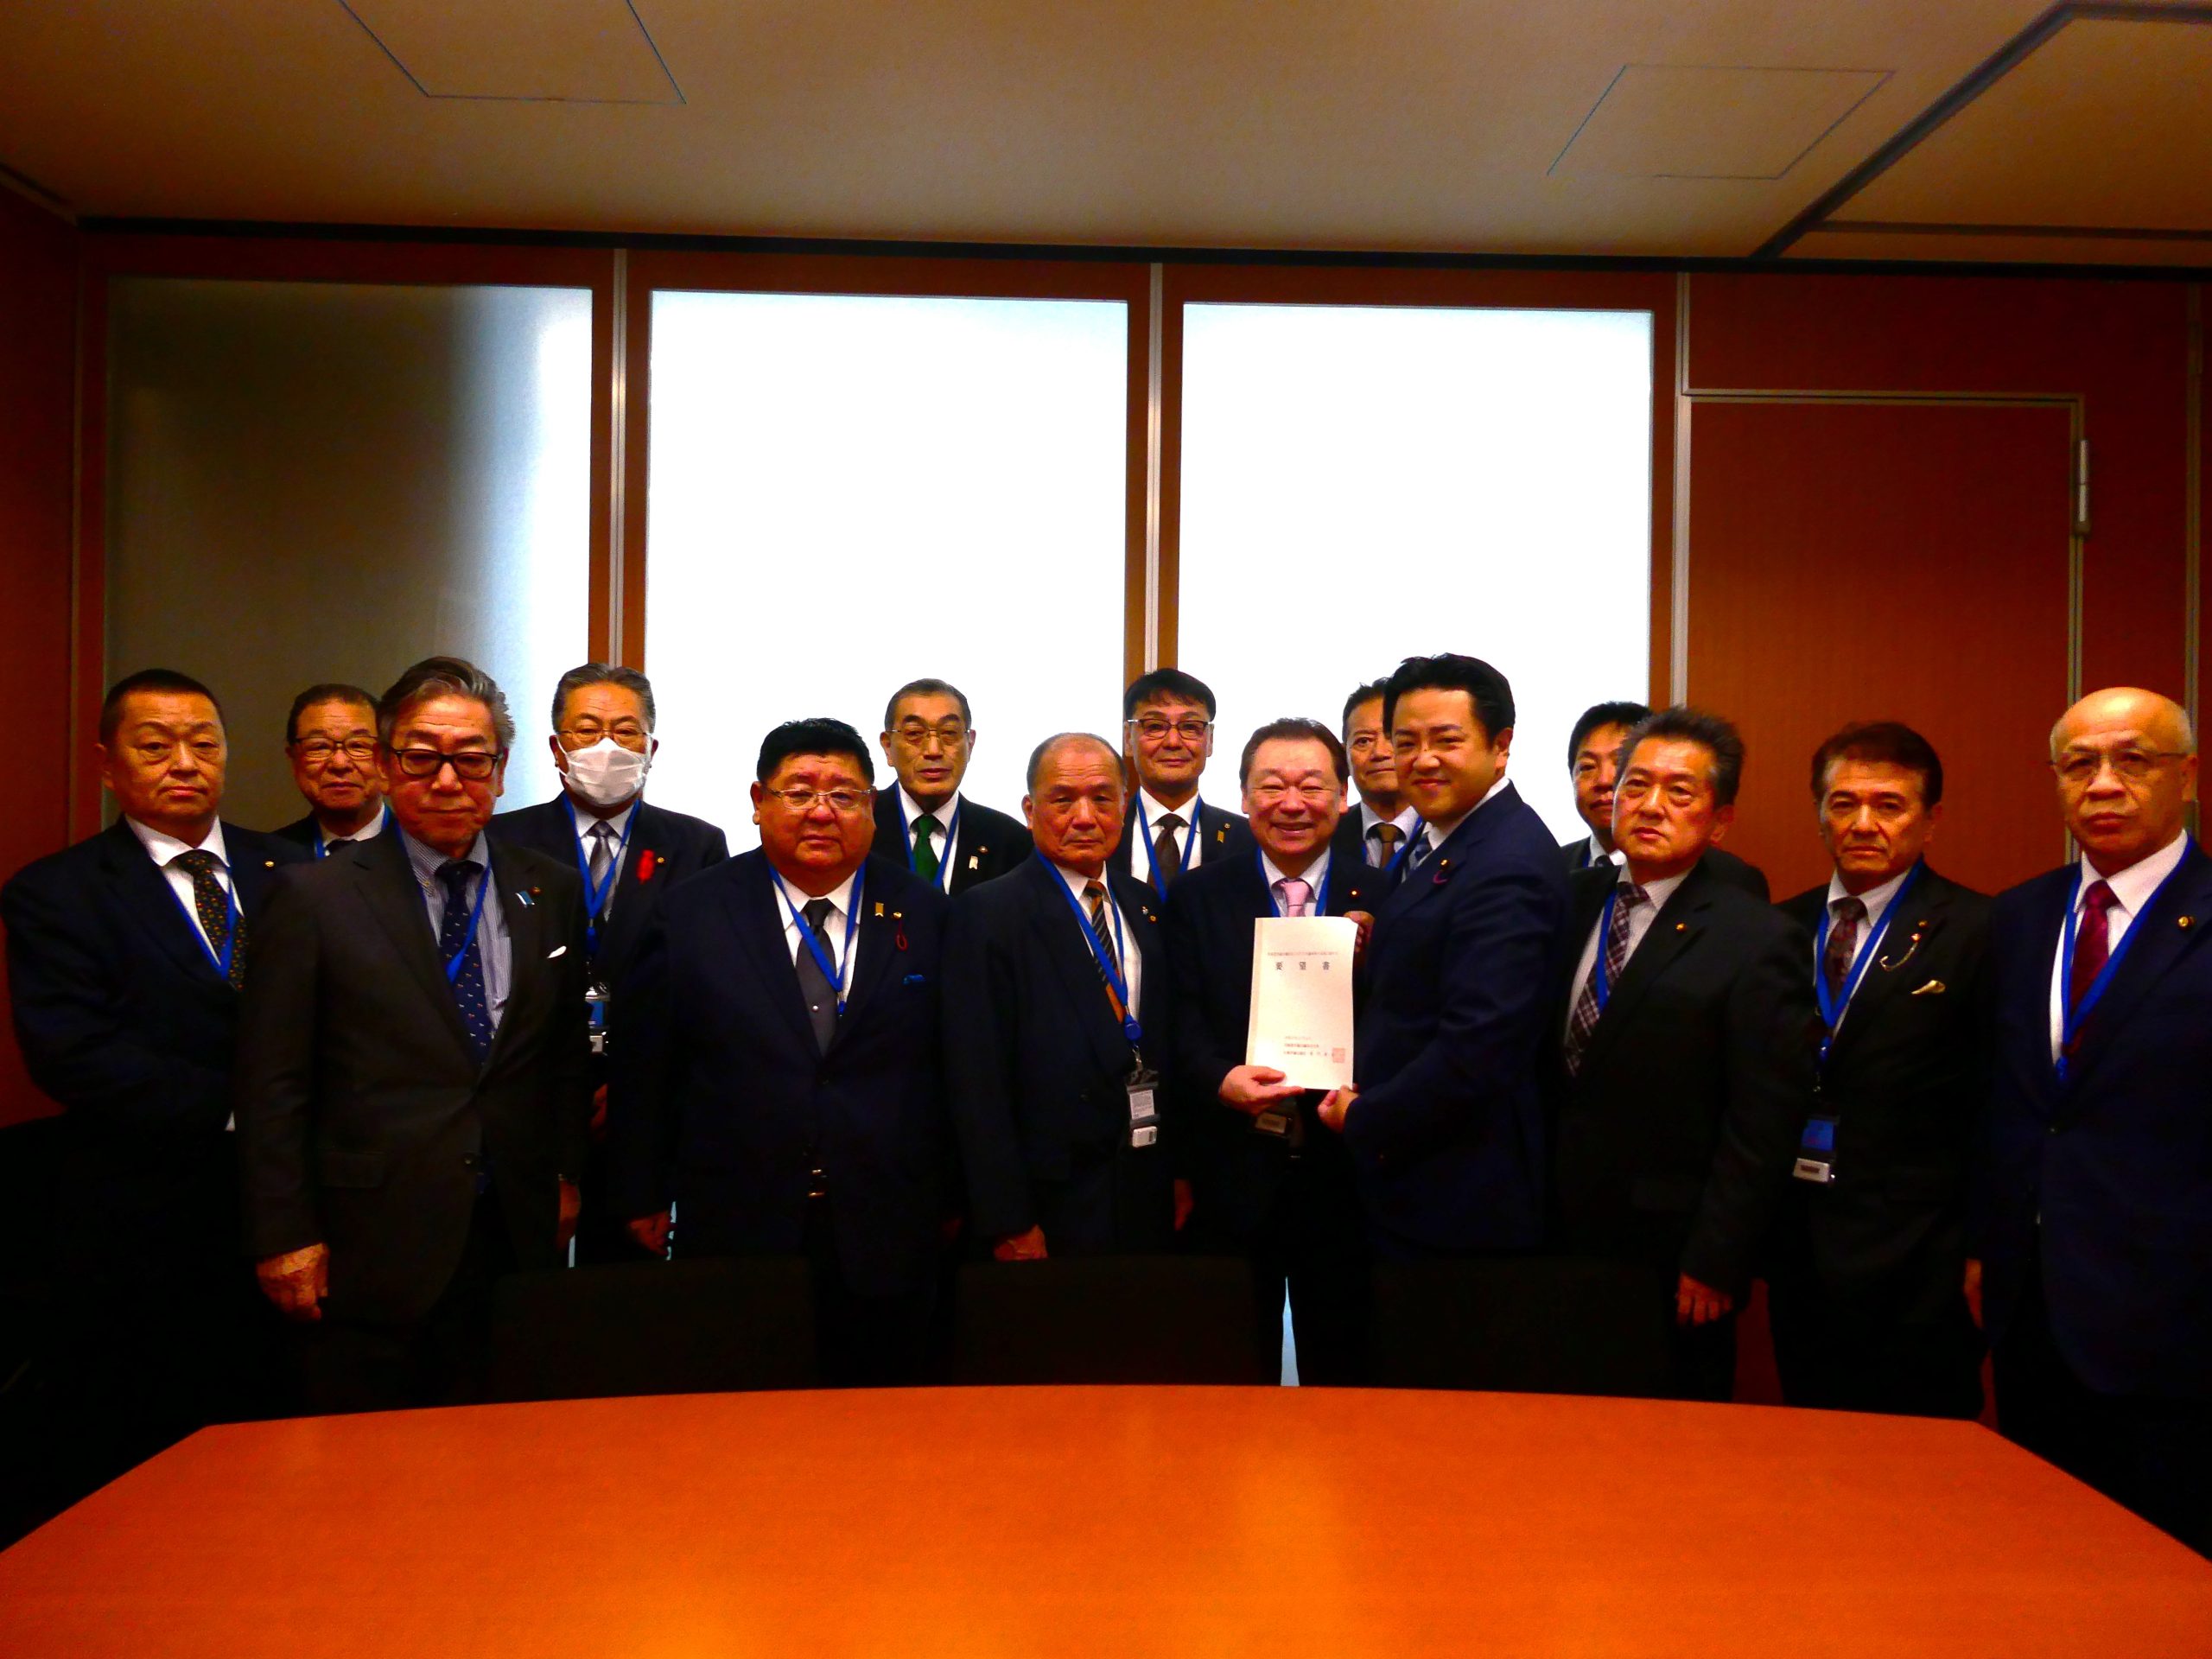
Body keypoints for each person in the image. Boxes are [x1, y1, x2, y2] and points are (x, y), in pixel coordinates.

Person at [234, 656, 590, 1412]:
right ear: (387, 766)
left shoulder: (550, 887)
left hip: (514, 1227)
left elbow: (561, 1052)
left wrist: (564, 1175)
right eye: (423, 757)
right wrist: (284, 1233)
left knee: (516, 1442)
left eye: (472, 758)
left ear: (501, 770)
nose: (448, 779)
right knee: (373, 1457)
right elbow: (273, 1082)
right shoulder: (313, 897)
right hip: (373, 1237)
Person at [2, 670, 305, 1496]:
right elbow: (72, 1054)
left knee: (284, 1441)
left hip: (291, 1207)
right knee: (152, 1455)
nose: (184, 762)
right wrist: (251, 1111)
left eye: (204, 743)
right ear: (108, 766)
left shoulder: (291, 868)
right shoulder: (56, 893)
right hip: (144, 1217)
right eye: (155, 745)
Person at [610, 719, 950, 1384]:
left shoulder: (925, 912)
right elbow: (646, 1066)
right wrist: (640, 1191)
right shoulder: (691, 914)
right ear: (758, 801)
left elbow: (951, 1067)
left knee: (886, 1418)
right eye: (798, 792)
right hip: (738, 1216)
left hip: (888, 1221)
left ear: (872, 808)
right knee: (744, 1416)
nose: (822, 811)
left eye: (844, 795)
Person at [1972, 686, 2210, 1554]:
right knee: (2044, 1552)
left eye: (2132, 760)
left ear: (2187, 777)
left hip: (2179, 1317)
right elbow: (2005, 1100)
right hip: (2034, 1307)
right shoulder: (2017, 917)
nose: (2103, 784)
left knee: (2165, 1561)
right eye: (2079, 764)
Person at [1547, 707, 1813, 1400]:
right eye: (1635, 785)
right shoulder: (1572, 900)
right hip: (1554, 1231)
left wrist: (1718, 1257)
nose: (1650, 805)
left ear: (1719, 821)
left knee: (1670, 1439)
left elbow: (1764, 1120)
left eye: (1679, 791)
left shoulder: (1759, 937)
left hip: (1672, 1251)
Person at [1316, 654, 1568, 1260]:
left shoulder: (1508, 863)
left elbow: (1478, 1047)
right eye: (1406, 742)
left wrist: (1366, 1117)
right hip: (1419, 1172)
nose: (1422, 759)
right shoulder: (1446, 833)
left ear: (1501, 746)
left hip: (1460, 1189)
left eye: (1446, 741)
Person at [1768, 722, 1986, 1418]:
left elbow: (1995, 1103)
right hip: (1798, 1245)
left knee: (1919, 1454)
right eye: (1844, 803)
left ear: (1931, 820)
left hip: (1920, 1257)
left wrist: (1979, 1245)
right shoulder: (1778, 928)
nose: (1864, 823)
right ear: (1820, 814)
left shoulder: (1980, 930)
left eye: (1889, 805)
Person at [488, 663, 728, 1262]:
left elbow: (704, 989)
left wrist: (633, 1085)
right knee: (522, 1278)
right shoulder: (501, 840)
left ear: (651, 748)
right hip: (530, 1100)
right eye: (587, 729)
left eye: (625, 731)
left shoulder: (697, 845)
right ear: (556, 747)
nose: (607, 746)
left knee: (626, 1289)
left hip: (646, 1107)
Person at [1166, 718, 1381, 1382]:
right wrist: (1218, 1078)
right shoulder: (1198, 895)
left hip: (1346, 1178)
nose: (1292, 804)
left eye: (1311, 786)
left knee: (1344, 1374)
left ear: (1342, 797)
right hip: (1231, 1170)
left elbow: (1404, 1019)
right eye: (1272, 786)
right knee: (1227, 1371)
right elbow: (1179, 1015)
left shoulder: (1384, 895)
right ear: (1243, 795)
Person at [944, 733, 1185, 1255]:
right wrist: (1007, 1217)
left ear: (1124, 805)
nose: (1085, 817)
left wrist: (1176, 1173)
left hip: (1141, 1182)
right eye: (1063, 800)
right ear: (1030, 811)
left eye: (1102, 798)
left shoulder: (1142, 903)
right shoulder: (988, 913)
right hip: (1049, 1198)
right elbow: (976, 1080)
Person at [1562, 699, 1770, 900]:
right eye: (1587, 767)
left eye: (1679, 790)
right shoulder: (1557, 870)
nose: (1604, 781)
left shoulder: (1733, 881)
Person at [871, 677, 1033, 894]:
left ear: (970, 744)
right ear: (888, 746)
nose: (933, 750)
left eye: (949, 733)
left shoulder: (1009, 841)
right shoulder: (858, 826)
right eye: (914, 734)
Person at [1121, 668, 1250, 893]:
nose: (1173, 742)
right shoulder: (1103, 832)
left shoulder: (1246, 839)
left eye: (1190, 727)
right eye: (1155, 726)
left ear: (1210, 740)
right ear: (1128, 739)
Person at [271, 683, 391, 856]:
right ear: (294, 760)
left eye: (358, 745)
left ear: (385, 759)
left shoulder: (422, 849)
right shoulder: (266, 859)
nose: (339, 764)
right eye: (319, 747)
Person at [1331, 678, 1421, 877]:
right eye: (1363, 741)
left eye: (1393, 737)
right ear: (1343, 755)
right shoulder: (1326, 836)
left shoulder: (1451, 828)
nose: (1380, 753)